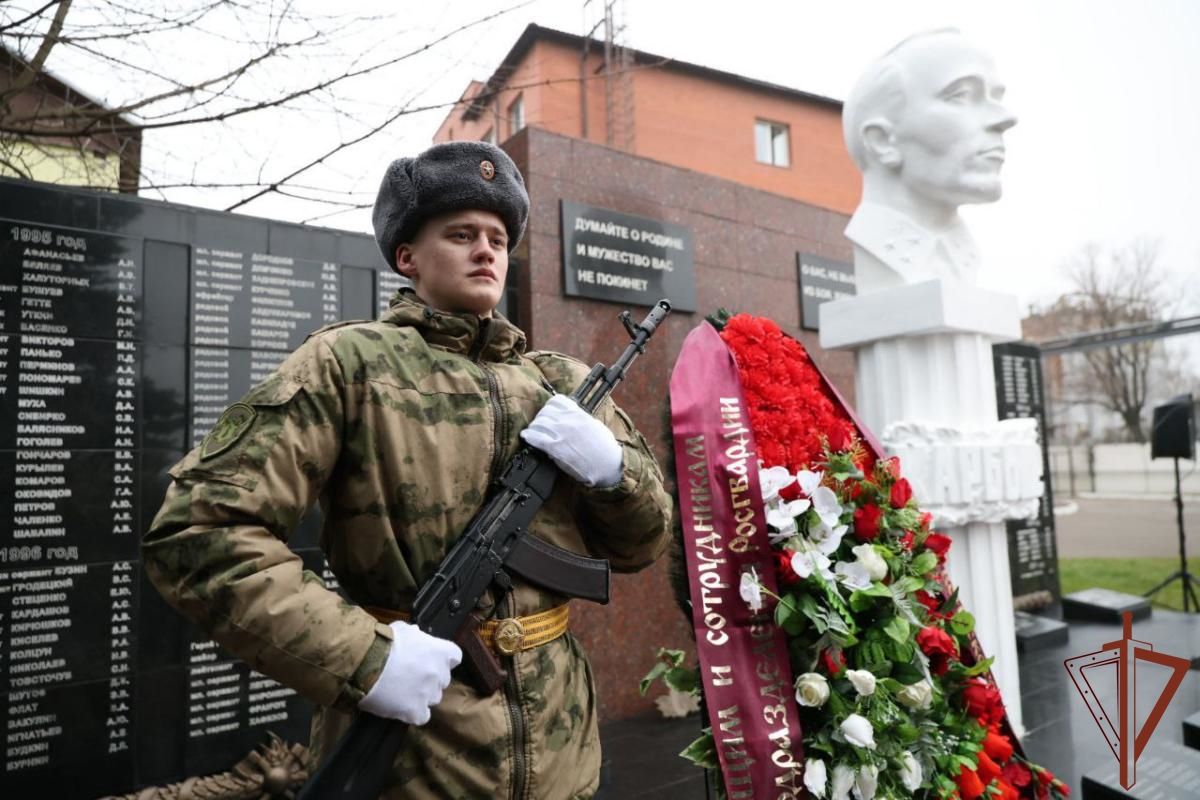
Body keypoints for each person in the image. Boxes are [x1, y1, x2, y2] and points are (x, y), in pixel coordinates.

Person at [142, 141, 673, 799]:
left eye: (498, 239)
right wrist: (368, 659)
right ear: (407, 257)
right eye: (461, 235)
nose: (486, 252)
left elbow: (643, 545)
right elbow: (199, 535)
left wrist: (614, 473)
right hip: (417, 756)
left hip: (562, 748)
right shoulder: (349, 364)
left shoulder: (560, 383)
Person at [842, 29, 1018, 292]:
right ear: (883, 141)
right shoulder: (879, 251)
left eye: (996, 97)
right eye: (961, 95)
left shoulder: (966, 257)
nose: (1006, 118)